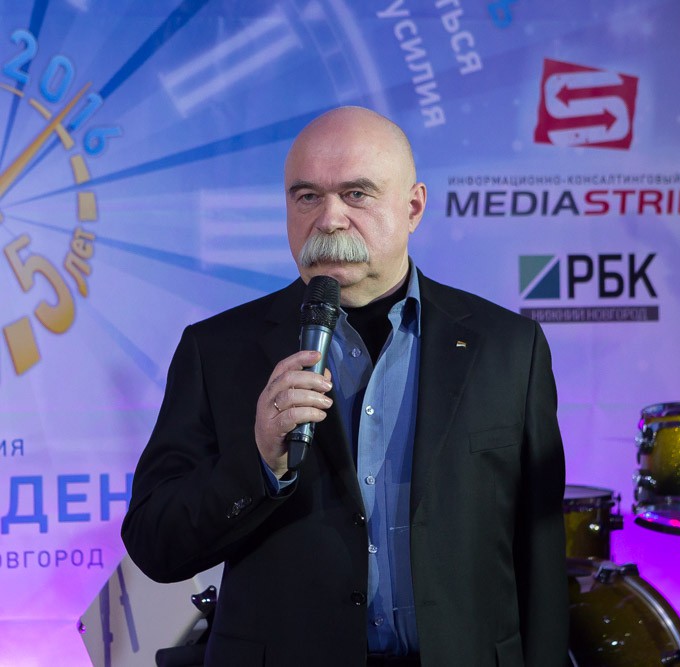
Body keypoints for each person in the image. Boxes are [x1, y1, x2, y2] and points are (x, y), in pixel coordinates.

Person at [121, 106, 569, 667]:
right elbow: (156, 544)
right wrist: (258, 462)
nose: (329, 219)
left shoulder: (509, 348)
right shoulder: (217, 350)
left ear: (413, 207)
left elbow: (541, 556)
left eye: (356, 194)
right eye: (307, 196)